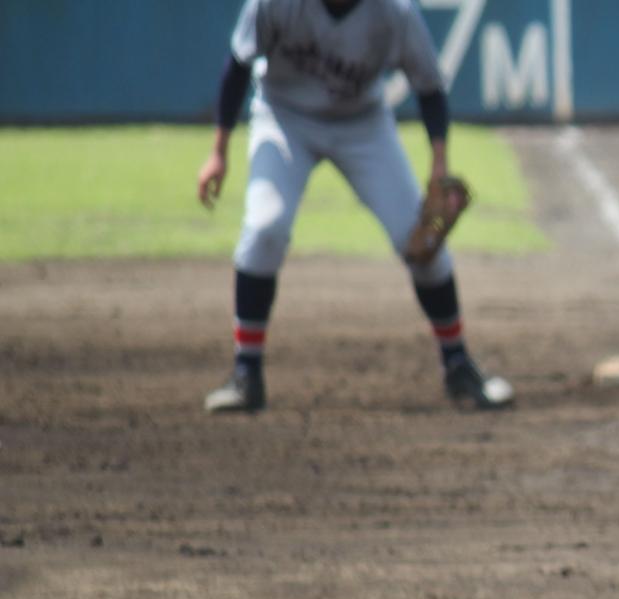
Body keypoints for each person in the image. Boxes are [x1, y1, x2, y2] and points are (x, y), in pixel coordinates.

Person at [196, 0, 513, 413]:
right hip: (284, 115)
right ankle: (245, 374)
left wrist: (439, 167)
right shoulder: (275, 4)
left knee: (419, 240)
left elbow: (429, 88)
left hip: (362, 124)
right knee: (264, 227)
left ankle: (458, 365)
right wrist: (218, 152)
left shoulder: (394, 12)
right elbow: (239, 64)